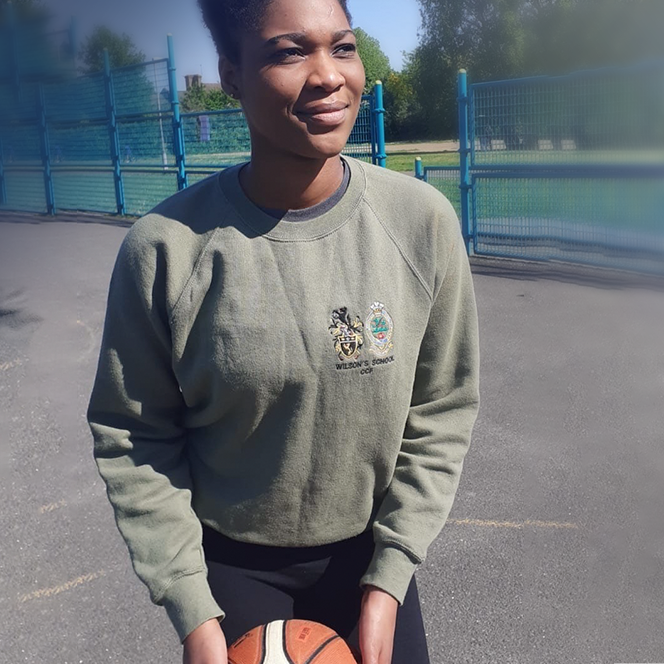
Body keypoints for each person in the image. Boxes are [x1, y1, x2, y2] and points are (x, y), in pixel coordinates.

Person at [86, 1, 480, 663]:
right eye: (289, 52)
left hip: (369, 562)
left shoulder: (422, 223)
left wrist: (389, 580)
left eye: (344, 47)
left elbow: (442, 406)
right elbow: (136, 437)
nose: (328, 75)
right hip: (233, 570)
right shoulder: (165, 250)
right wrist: (193, 610)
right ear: (232, 74)